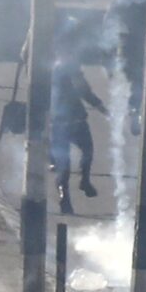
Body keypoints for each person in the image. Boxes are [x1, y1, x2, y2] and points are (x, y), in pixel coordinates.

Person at [49, 53, 105, 214]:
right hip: (73, 122)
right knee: (85, 152)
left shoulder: (51, 74)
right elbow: (86, 93)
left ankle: (67, 193)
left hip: (60, 123)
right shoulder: (71, 73)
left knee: (65, 163)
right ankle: (79, 184)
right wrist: (104, 110)